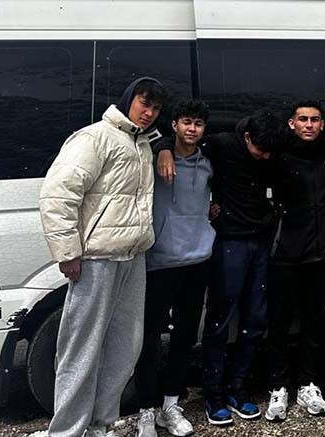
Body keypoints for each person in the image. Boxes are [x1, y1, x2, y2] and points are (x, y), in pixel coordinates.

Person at [38, 77, 168, 437]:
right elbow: (58, 195)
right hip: (96, 258)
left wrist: (164, 147)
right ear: (128, 101)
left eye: (156, 108)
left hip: (133, 256)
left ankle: (101, 424)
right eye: (144, 104)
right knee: (81, 347)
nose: (149, 113)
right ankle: (67, 431)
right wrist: (68, 252)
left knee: (125, 346)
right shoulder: (95, 137)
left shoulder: (142, 143)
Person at [156, 109, 285, 425]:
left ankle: (237, 388)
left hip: (261, 240)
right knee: (220, 318)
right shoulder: (222, 145)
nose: (265, 157)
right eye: (260, 150)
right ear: (246, 138)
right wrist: (163, 149)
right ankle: (212, 393)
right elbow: (178, 135)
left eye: (270, 152)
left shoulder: (270, 147)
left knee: (255, 319)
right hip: (229, 241)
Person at [135, 100, 215, 437]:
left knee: (184, 336)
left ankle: (170, 405)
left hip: (197, 261)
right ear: (174, 125)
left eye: (198, 123)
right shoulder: (153, 160)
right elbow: (143, 140)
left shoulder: (208, 164)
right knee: (149, 339)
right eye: (186, 122)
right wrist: (164, 149)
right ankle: (145, 410)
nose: (192, 129)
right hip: (160, 262)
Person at [264, 101, 325, 421]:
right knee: (279, 323)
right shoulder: (278, 155)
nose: (309, 125)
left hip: (321, 252)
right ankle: (278, 386)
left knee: (315, 321)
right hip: (284, 252)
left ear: (322, 124)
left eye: (315, 120)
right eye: (302, 119)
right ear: (291, 123)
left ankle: (308, 383)